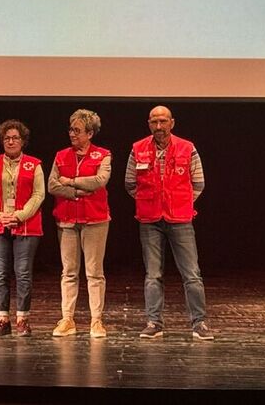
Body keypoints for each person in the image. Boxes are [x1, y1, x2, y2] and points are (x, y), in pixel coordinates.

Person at [125, 105, 215, 341]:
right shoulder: (138, 148)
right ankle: (154, 322)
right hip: (149, 219)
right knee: (153, 274)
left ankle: (199, 323)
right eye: (155, 122)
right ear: (149, 124)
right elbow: (130, 183)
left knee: (192, 274)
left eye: (163, 121)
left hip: (180, 219)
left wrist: (180, 201)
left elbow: (198, 182)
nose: (159, 126)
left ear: (172, 123)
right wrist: (150, 201)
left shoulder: (187, 147)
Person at [47, 109, 112, 338]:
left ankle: (96, 321)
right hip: (66, 220)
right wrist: (74, 191)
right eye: (71, 129)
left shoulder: (103, 155)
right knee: (69, 272)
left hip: (95, 220)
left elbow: (99, 181)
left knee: (94, 272)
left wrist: (71, 181)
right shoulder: (61, 155)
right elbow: (52, 186)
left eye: (77, 130)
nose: (72, 134)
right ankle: (67, 319)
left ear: (90, 133)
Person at [0, 119, 45, 337]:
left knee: (23, 273)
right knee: (1, 273)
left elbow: (39, 195)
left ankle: (22, 319)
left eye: (15, 138)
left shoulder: (34, 164)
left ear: (23, 140)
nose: (11, 141)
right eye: (7, 138)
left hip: (26, 224)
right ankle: (2, 319)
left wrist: (19, 215)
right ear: (1, 140)